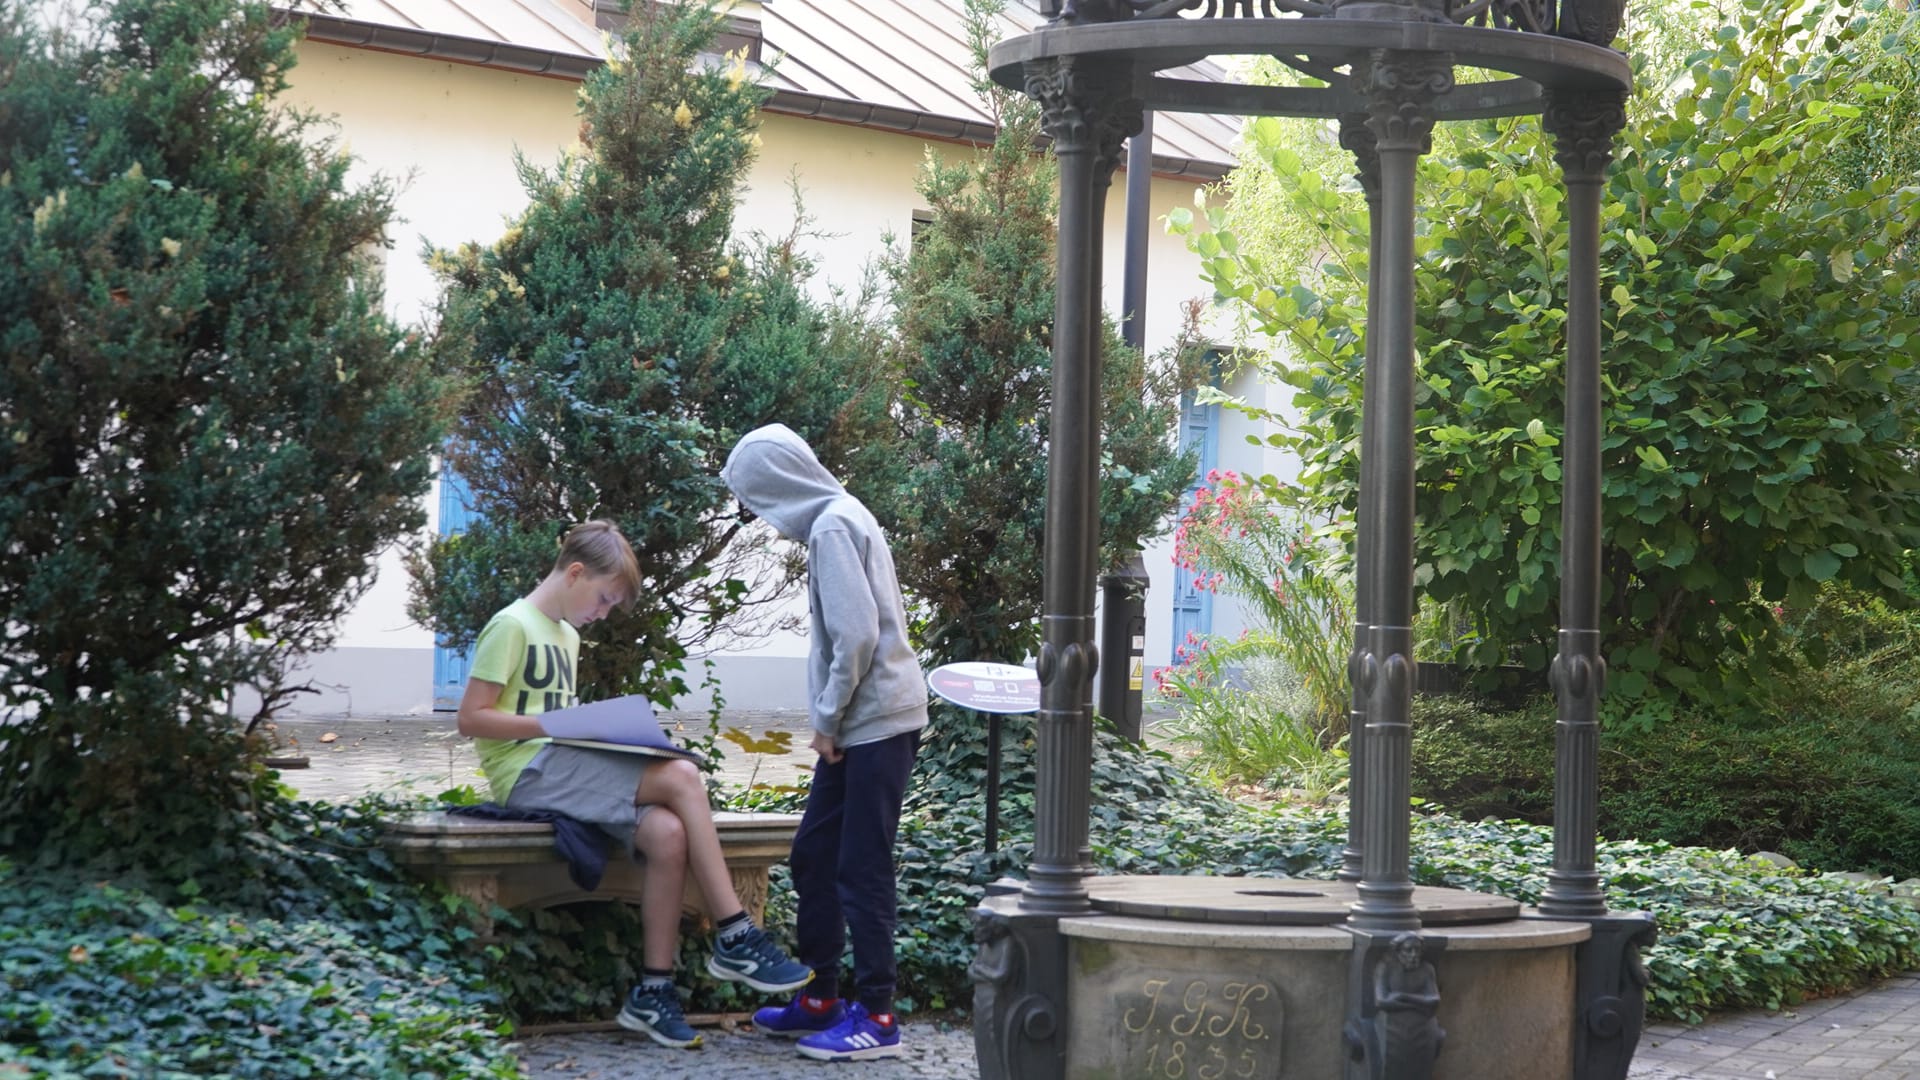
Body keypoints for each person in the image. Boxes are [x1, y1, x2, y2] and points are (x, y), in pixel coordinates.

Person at [455, 519, 812, 1050]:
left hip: (561, 764)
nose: (602, 613)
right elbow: (471, 719)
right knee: (683, 775)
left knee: (668, 833)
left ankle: (653, 991)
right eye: (603, 598)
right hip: (525, 773)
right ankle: (736, 932)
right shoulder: (512, 626)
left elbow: (556, 723)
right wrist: (553, 725)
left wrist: (592, 732)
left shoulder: (566, 634)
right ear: (575, 573)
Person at [722, 424, 929, 1062]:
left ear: (775, 483)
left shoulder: (835, 526)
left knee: (861, 866)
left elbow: (858, 635)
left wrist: (828, 718)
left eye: (753, 497)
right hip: (865, 720)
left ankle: (878, 1016)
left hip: (876, 720)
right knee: (814, 854)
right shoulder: (838, 518)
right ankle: (821, 998)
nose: (757, 513)